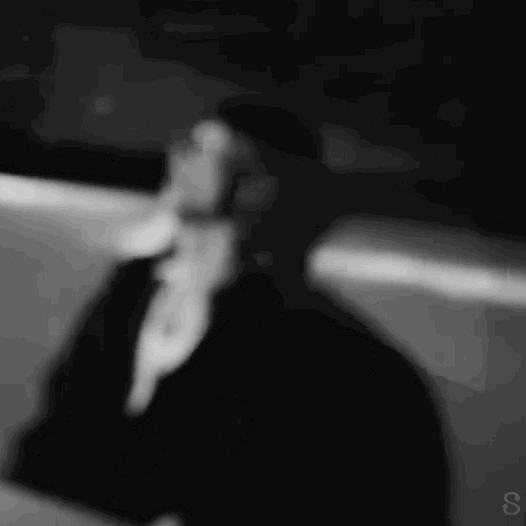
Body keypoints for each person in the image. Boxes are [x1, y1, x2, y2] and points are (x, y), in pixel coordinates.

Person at [2, 95, 451, 525]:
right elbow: (61, 431)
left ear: (262, 186)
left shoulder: (322, 351)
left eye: (204, 152)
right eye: (188, 147)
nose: (179, 158)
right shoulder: (133, 289)